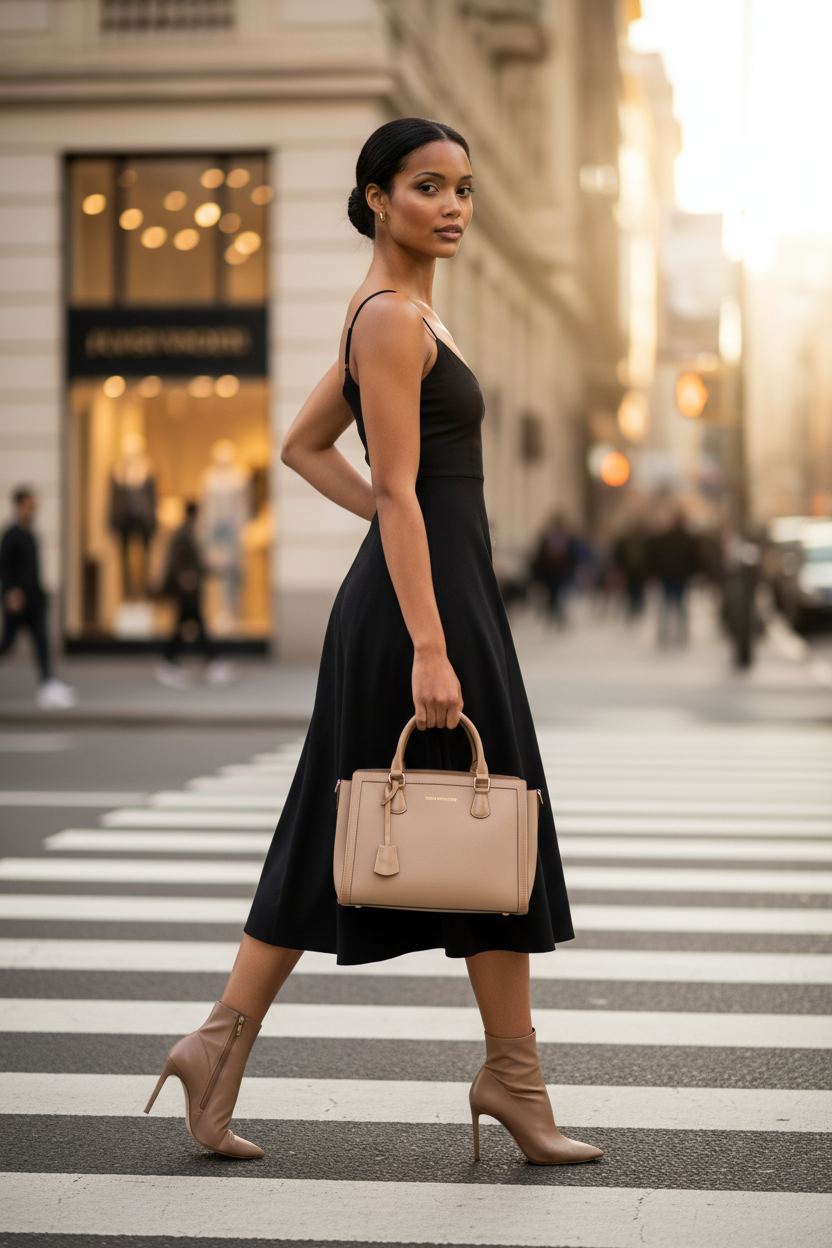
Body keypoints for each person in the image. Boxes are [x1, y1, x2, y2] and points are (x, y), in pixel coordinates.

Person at [144, 118, 602, 1167]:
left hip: (421, 593)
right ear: (374, 198)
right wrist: (427, 638)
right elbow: (395, 488)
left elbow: (304, 447)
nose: (452, 205)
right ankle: (508, 1079)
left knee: (366, 826)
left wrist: (400, 550)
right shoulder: (392, 319)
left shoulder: (395, 315)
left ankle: (224, 1047)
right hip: (425, 612)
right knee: (491, 820)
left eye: (462, 188)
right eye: (426, 186)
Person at [0, 487, 77, 708]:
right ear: (19, 506)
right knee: (7, 645)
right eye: (28, 504)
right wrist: (10, 591)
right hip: (17, 601)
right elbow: (4, 566)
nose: (32, 508)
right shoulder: (11, 534)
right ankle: (48, 684)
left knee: (42, 642)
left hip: (34, 600)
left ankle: (48, 685)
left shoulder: (31, 533)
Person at [156, 501, 233, 689]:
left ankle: (171, 662)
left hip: (189, 590)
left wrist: (212, 570)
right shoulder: (183, 534)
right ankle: (211, 661)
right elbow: (178, 561)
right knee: (195, 626)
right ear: (193, 514)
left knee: (187, 626)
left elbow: (195, 564)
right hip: (186, 591)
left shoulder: (189, 533)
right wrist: (183, 577)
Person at [649, 508, 700, 647]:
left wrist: (655, 572)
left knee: (665, 604)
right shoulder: (689, 539)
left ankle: (663, 634)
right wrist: (693, 572)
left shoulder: (662, 538)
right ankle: (682, 634)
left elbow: (654, 556)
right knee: (682, 605)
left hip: (666, 575)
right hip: (682, 576)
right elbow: (696, 558)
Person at [531, 512, 577, 626]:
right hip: (549, 572)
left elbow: (573, 554)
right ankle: (555, 617)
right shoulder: (547, 537)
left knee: (559, 595)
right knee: (553, 595)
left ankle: (556, 617)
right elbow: (539, 556)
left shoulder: (568, 537)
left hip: (562, 571)